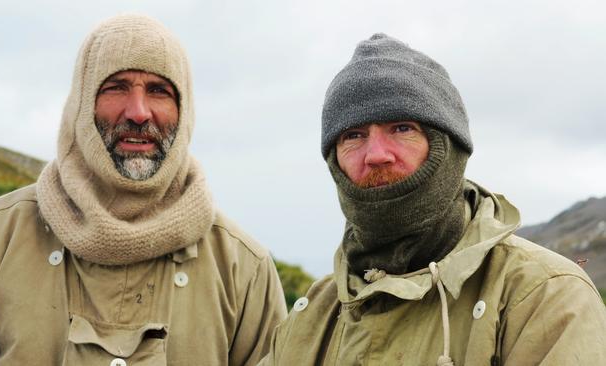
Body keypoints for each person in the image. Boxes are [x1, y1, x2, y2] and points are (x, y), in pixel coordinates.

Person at [0, 14, 286, 365]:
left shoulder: (242, 268)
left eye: (159, 90)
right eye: (117, 87)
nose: (139, 112)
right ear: (82, 103)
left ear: (184, 109)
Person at [260, 34, 606, 365]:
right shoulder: (311, 317)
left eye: (402, 128)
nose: (376, 154)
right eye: (354, 135)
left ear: (448, 146)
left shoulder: (542, 298)